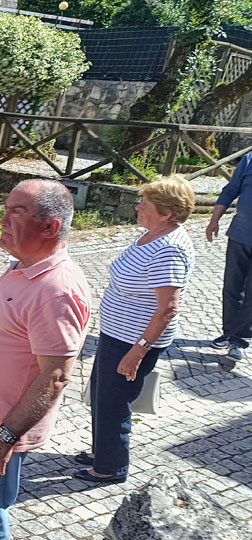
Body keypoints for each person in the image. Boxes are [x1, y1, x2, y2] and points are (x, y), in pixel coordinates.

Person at [0, 179, 91, 540]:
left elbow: (55, 377)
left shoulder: (57, 290)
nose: (2, 220)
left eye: (17, 212)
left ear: (50, 227)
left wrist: (4, 437)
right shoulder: (23, 266)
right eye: (6, 210)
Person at [76, 178, 195, 484]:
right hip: (117, 333)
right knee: (102, 395)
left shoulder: (169, 250)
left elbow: (167, 309)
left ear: (166, 213)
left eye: (146, 204)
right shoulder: (150, 234)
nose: (138, 207)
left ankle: (110, 467)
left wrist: (138, 350)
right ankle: (102, 451)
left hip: (133, 341)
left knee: (114, 402)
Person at [206, 151, 252, 370]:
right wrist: (214, 220)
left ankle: (239, 340)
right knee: (232, 288)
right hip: (239, 235)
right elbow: (231, 190)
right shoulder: (249, 159)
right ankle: (229, 332)